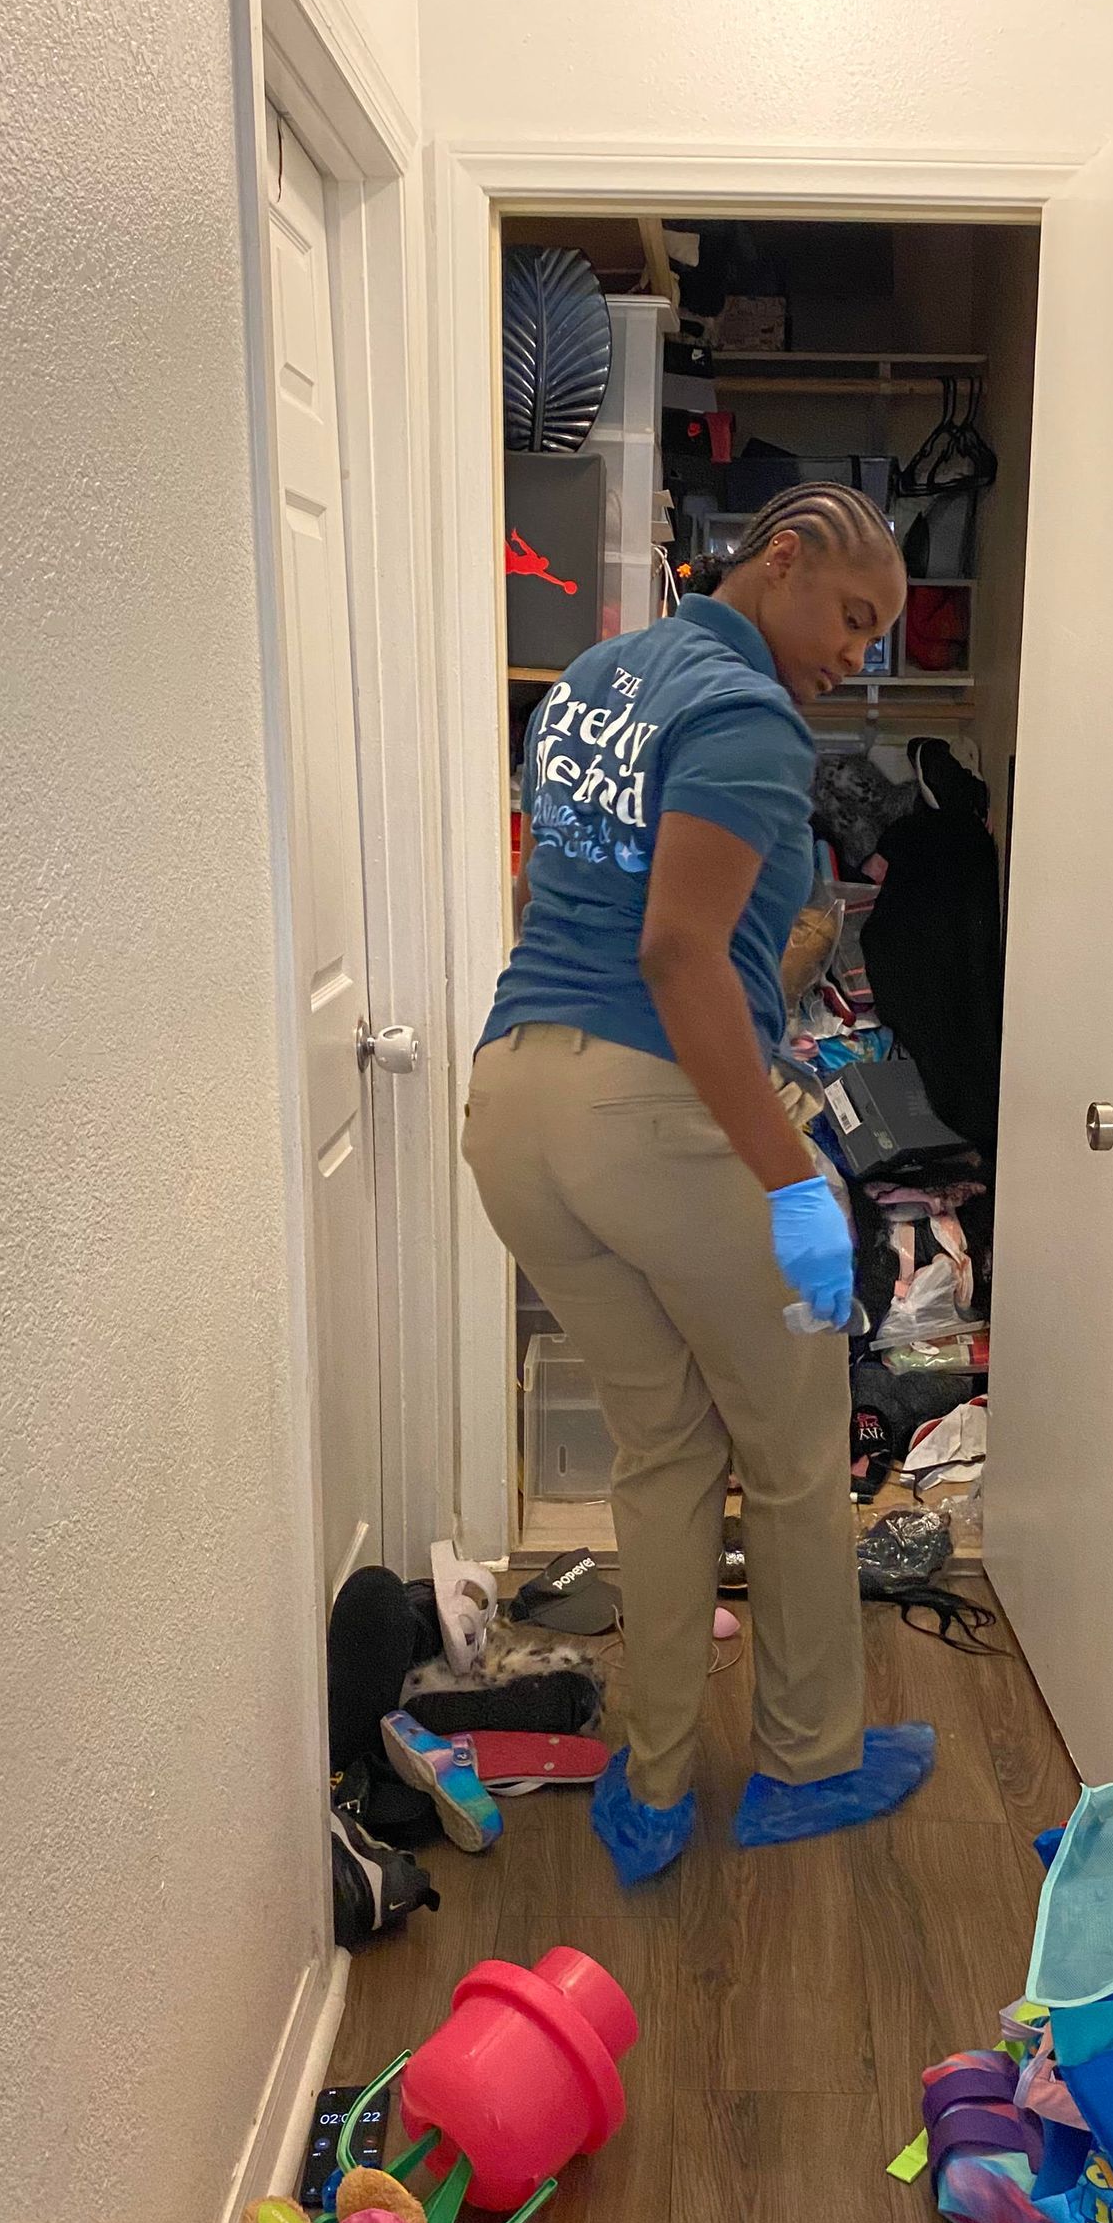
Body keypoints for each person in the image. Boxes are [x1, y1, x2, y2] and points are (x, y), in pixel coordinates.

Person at [465, 483, 937, 1885]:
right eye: (853, 616)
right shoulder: (744, 716)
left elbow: (590, 900)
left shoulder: (599, 678)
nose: (859, 654)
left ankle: (656, 1780)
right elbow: (678, 957)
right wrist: (793, 1176)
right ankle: (805, 1764)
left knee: (664, 1451)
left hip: (517, 1103)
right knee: (792, 1454)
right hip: (651, 1110)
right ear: (780, 557)